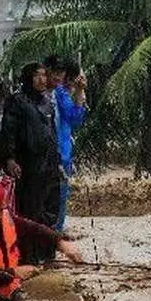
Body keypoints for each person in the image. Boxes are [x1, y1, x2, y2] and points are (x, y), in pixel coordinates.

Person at [0, 62, 61, 263]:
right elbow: (9, 131)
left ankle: (46, 253)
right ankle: (28, 256)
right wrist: (9, 158)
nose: (42, 79)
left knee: (50, 209)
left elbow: (51, 133)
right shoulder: (17, 101)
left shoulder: (47, 102)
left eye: (44, 75)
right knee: (29, 210)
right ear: (28, 78)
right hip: (28, 164)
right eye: (37, 75)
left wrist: (58, 160)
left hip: (49, 164)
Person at [46, 55, 87, 232]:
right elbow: (74, 117)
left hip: (62, 151)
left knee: (58, 195)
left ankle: (55, 231)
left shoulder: (59, 94)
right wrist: (78, 94)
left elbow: (74, 119)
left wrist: (78, 93)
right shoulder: (59, 94)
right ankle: (55, 232)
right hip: (59, 152)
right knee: (58, 196)